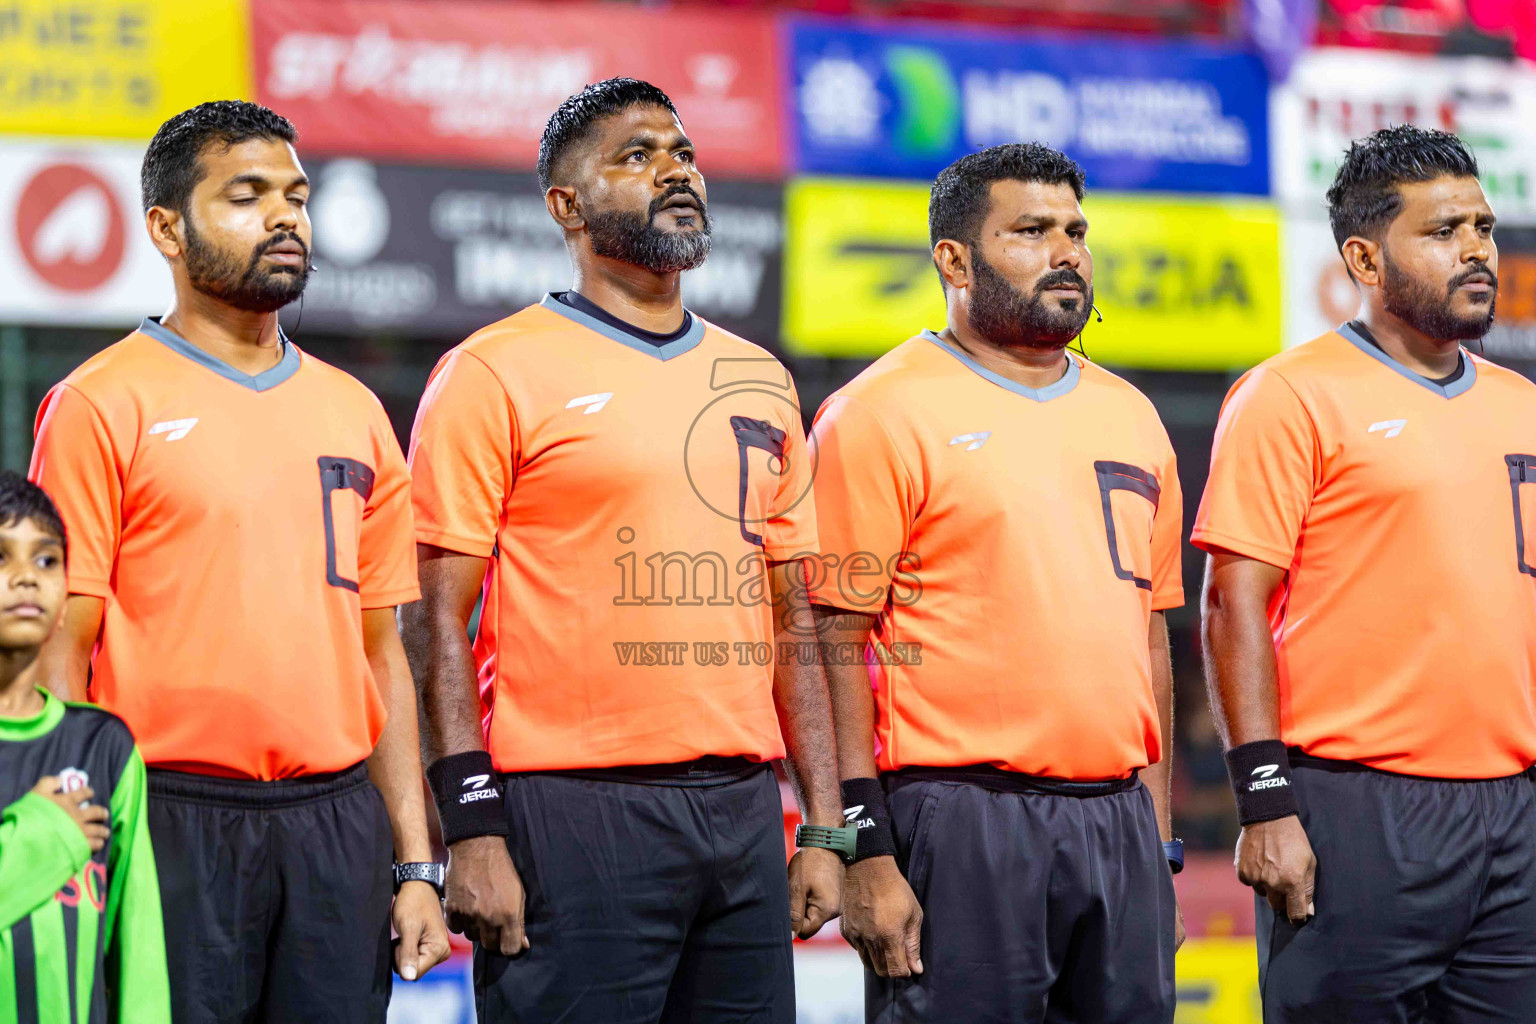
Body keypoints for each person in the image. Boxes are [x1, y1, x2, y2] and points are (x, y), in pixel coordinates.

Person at [402, 77, 844, 1023]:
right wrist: (470, 829)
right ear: (566, 205)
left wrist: (826, 821)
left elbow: (791, 612)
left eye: (681, 153)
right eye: (636, 156)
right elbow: (432, 620)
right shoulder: (490, 372)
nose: (674, 171)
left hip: (740, 807)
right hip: (569, 811)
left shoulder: (759, 377)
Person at [29, 100, 449, 1022]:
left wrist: (416, 862)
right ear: (167, 228)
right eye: (248, 194)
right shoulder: (100, 403)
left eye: (296, 196)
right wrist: (75, 838)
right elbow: (65, 642)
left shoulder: (355, 410)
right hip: (168, 819)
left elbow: (385, 656)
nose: (285, 217)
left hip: (337, 826)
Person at [810, 143, 1184, 1024]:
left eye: (1076, 231)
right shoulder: (877, 412)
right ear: (954, 258)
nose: (1068, 253)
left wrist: (1160, 843)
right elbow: (829, 643)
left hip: (1121, 821)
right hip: (961, 817)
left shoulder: (1132, 414)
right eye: (1031, 230)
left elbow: (1152, 638)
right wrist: (863, 845)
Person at [1195, 124, 1536, 1021]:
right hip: (1354, 808)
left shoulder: (1522, 405)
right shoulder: (1290, 394)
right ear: (1365, 256)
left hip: (1514, 812)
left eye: (1484, 228)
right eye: (1442, 230)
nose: (1476, 251)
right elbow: (1232, 605)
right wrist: (1264, 800)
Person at [0, 472, 169, 1023]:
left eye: (46, 560)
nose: (26, 577)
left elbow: (138, 950)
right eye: (2, 559)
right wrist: (46, 834)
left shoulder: (104, 747)